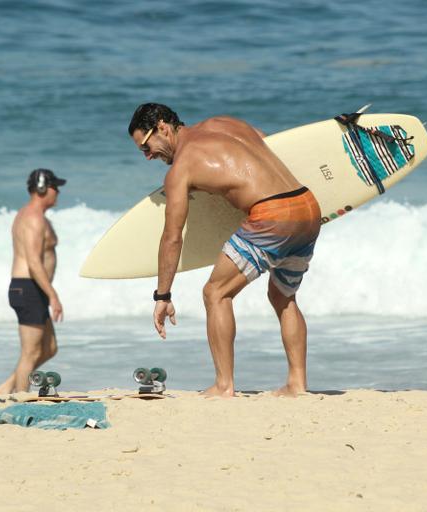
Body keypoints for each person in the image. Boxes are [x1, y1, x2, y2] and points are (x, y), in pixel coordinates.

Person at [128, 103, 321, 397]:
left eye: (146, 146)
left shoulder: (182, 168)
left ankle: (224, 385)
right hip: (307, 207)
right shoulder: (225, 123)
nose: (147, 155)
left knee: (215, 293)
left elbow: (172, 237)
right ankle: (297, 383)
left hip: (272, 217)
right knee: (283, 295)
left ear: (163, 128)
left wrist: (163, 295)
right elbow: (268, 149)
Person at [0, 169, 65, 394]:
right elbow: (34, 262)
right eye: (55, 187)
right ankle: (21, 400)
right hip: (29, 288)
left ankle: (5, 389)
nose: (58, 192)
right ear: (43, 188)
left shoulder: (32, 216)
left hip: (32, 289)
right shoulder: (33, 219)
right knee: (30, 354)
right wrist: (53, 295)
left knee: (49, 348)